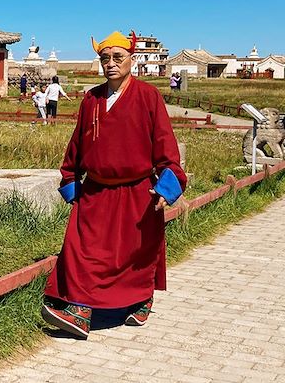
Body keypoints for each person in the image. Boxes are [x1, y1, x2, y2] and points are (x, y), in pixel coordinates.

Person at [41, 31, 187, 339]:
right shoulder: (91, 99)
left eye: (117, 57)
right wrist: (70, 181)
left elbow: (165, 147)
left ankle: (141, 299)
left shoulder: (148, 96)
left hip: (138, 191)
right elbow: (76, 147)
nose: (110, 64)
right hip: (95, 189)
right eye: (104, 58)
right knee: (83, 248)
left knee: (134, 253)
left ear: (131, 60)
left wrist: (167, 187)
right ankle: (79, 310)